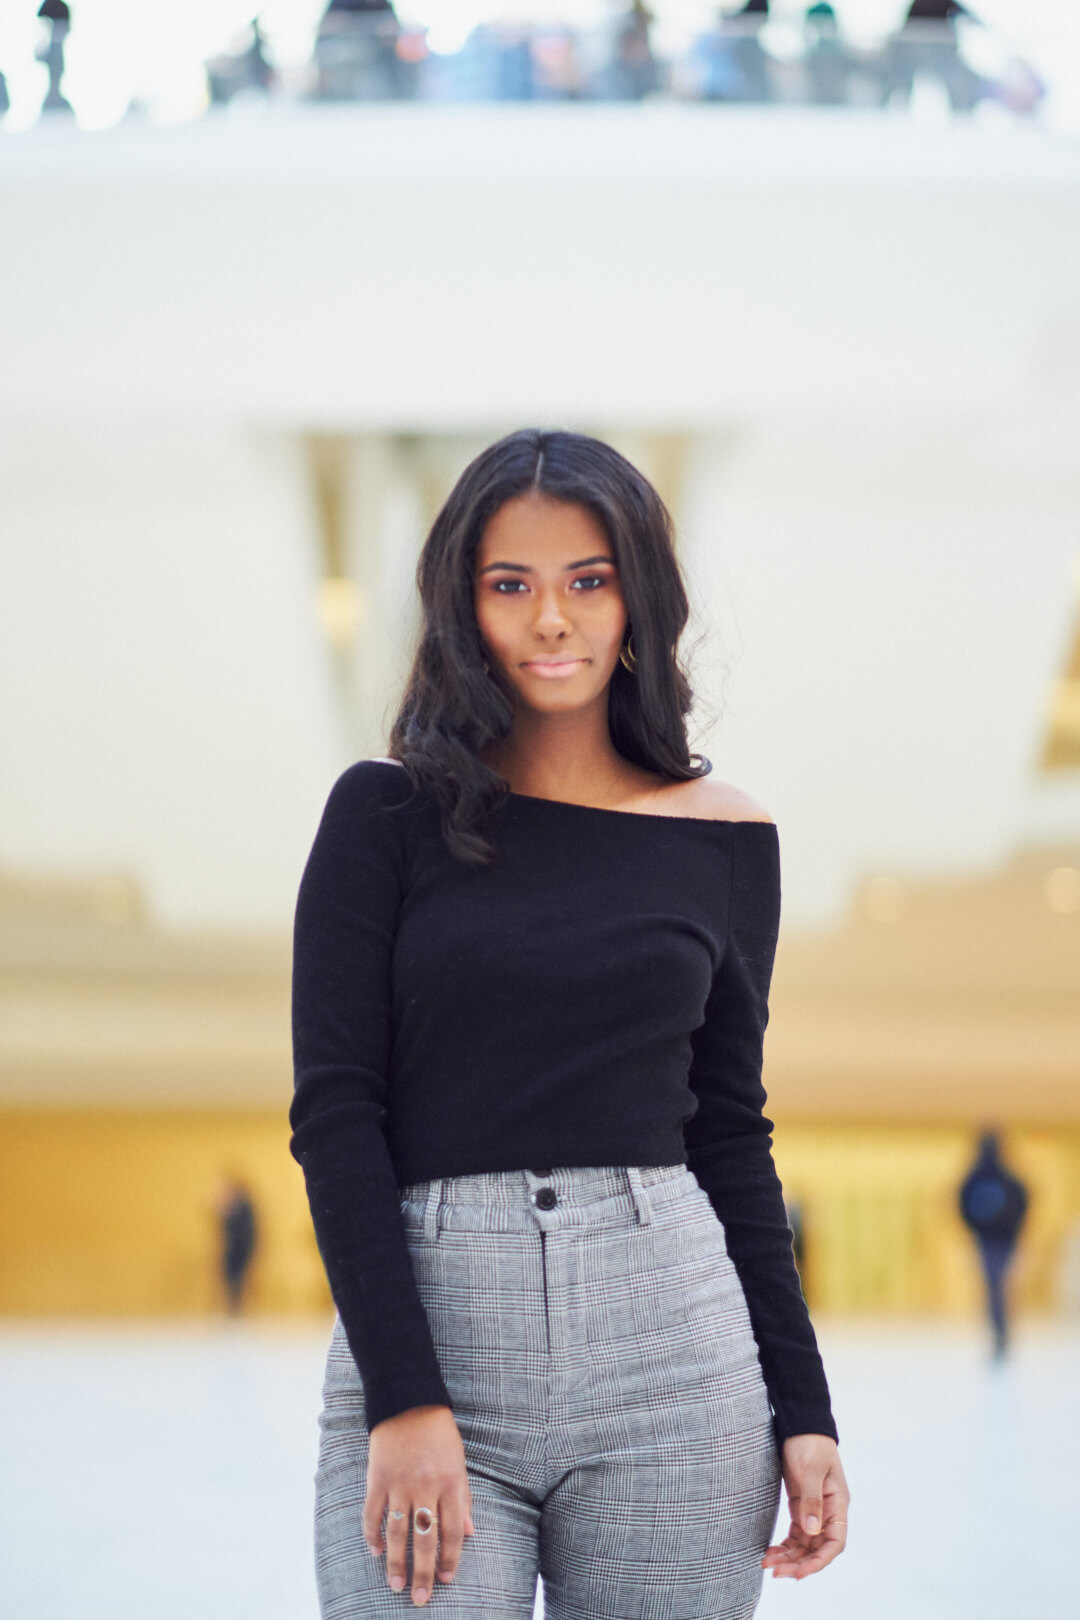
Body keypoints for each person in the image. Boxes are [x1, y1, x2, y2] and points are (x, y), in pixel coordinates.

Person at [290, 430, 848, 1615]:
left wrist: (804, 1409)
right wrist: (403, 1394)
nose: (553, 620)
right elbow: (338, 1114)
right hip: (438, 1334)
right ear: (463, 605)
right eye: (512, 584)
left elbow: (731, 1135)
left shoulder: (726, 839)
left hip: (676, 1350)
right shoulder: (383, 815)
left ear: (638, 595)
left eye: (587, 580)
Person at [958, 1129, 1029, 1358]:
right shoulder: (1003, 1177)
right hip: (997, 1240)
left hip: (994, 1240)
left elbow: (963, 1205)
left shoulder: (978, 1177)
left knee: (995, 1286)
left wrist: (976, 1231)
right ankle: (999, 1330)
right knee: (997, 1286)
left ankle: (1000, 1329)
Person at [216, 1175, 259, 1315]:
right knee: (231, 1280)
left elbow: (248, 1231)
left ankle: (238, 1309)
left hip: (242, 1249)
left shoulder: (244, 1207)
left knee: (240, 1280)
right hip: (232, 1250)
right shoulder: (231, 1207)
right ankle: (233, 1308)